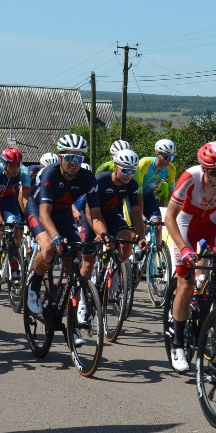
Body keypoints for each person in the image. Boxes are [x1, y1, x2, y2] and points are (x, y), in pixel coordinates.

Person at [164, 141, 216, 372]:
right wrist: (183, 248)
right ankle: (178, 344)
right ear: (204, 169)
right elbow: (170, 217)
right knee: (185, 283)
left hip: (214, 221)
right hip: (186, 223)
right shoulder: (190, 177)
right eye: (214, 171)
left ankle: (206, 295)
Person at [26, 134, 95, 316]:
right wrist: (55, 236)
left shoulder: (87, 178)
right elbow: (44, 214)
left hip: (63, 213)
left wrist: (102, 234)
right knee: (49, 247)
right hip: (38, 210)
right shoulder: (51, 173)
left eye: (79, 158)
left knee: (74, 256)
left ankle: (65, 296)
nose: (74, 163)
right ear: (60, 157)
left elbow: (94, 213)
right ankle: (34, 285)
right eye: (70, 157)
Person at [86, 146, 145, 277]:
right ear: (115, 167)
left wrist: (142, 236)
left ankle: (116, 271)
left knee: (127, 240)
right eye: (125, 170)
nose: (128, 175)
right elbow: (90, 211)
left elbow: (135, 211)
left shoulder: (132, 184)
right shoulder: (99, 181)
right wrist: (98, 233)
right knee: (87, 263)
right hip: (92, 213)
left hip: (110, 211)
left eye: (132, 171)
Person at [0, 146, 32, 281]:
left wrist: (30, 217)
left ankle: (14, 261)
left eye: (17, 165)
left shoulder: (24, 171)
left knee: (15, 226)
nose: (15, 169)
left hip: (9, 198)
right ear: (4, 165)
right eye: (12, 166)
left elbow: (25, 198)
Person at [136, 138, 178, 225]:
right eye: (167, 157)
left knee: (157, 224)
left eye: (172, 157)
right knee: (139, 225)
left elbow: (171, 192)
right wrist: (140, 214)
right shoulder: (144, 163)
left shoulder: (171, 168)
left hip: (148, 196)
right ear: (158, 154)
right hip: (134, 196)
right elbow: (138, 190)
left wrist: (173, 214)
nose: (169, 160)